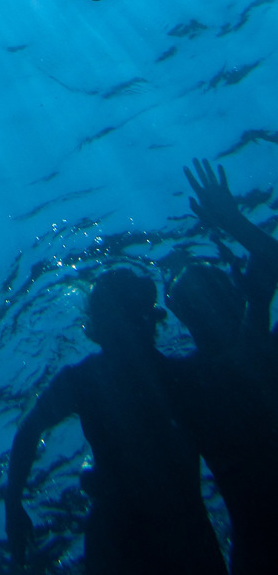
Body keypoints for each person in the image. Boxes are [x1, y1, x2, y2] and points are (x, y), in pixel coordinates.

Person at [5, 269, 226, 574]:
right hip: (175, 533)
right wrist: (12, 504)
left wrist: (13, 503)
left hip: (129, 536)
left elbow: (30, 430)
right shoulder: (183, 379)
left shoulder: (85, 381)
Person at [167, 160, 278, 574]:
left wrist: (233, 222)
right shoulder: (186, 380)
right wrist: (234, 224)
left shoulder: (183, 380)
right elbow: (243, 369)